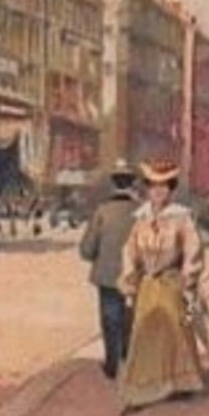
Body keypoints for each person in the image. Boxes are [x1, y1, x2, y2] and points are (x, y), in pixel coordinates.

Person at [118, 159, 206, 414]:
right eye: (154, 187)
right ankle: (140, 390)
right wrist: (129, 275)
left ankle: (181, 382)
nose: (158, 192)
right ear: (146, 189)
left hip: (172, 284)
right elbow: (130, 250)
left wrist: (190, 276)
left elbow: (193, 248)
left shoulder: (181, 217)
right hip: (148, 286)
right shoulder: (141, 218)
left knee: (179, 330)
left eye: (164, 187)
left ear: (171, 189)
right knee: (144, 334)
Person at [78, 160, 139, 379]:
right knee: (131, 318)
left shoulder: (102, 212)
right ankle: (129, 357)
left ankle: (112, 363)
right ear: (132, 184)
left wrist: (96, 255)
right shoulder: (141, 212)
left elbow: (87, 248)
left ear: (113, 184)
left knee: (109, 318)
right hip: (134, 277)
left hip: (107, 276)